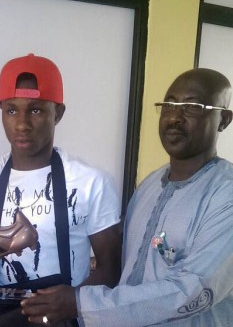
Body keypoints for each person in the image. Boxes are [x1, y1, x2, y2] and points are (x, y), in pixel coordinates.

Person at [21, 68, 233, 326]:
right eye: (169, 105)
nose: (175, 117)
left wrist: (78, 302)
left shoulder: (225, 195)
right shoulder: (150, 185)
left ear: (224, 119)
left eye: (192, 107)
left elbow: (192, 289)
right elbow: (132, 262)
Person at [0, 53, 122, 325]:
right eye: (11, 110)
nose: (22, 124)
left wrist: (74, 301)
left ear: (58, 113)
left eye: (35, 110)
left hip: (69, 321)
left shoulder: (92, 183)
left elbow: (112, 269)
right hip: (3, 321)